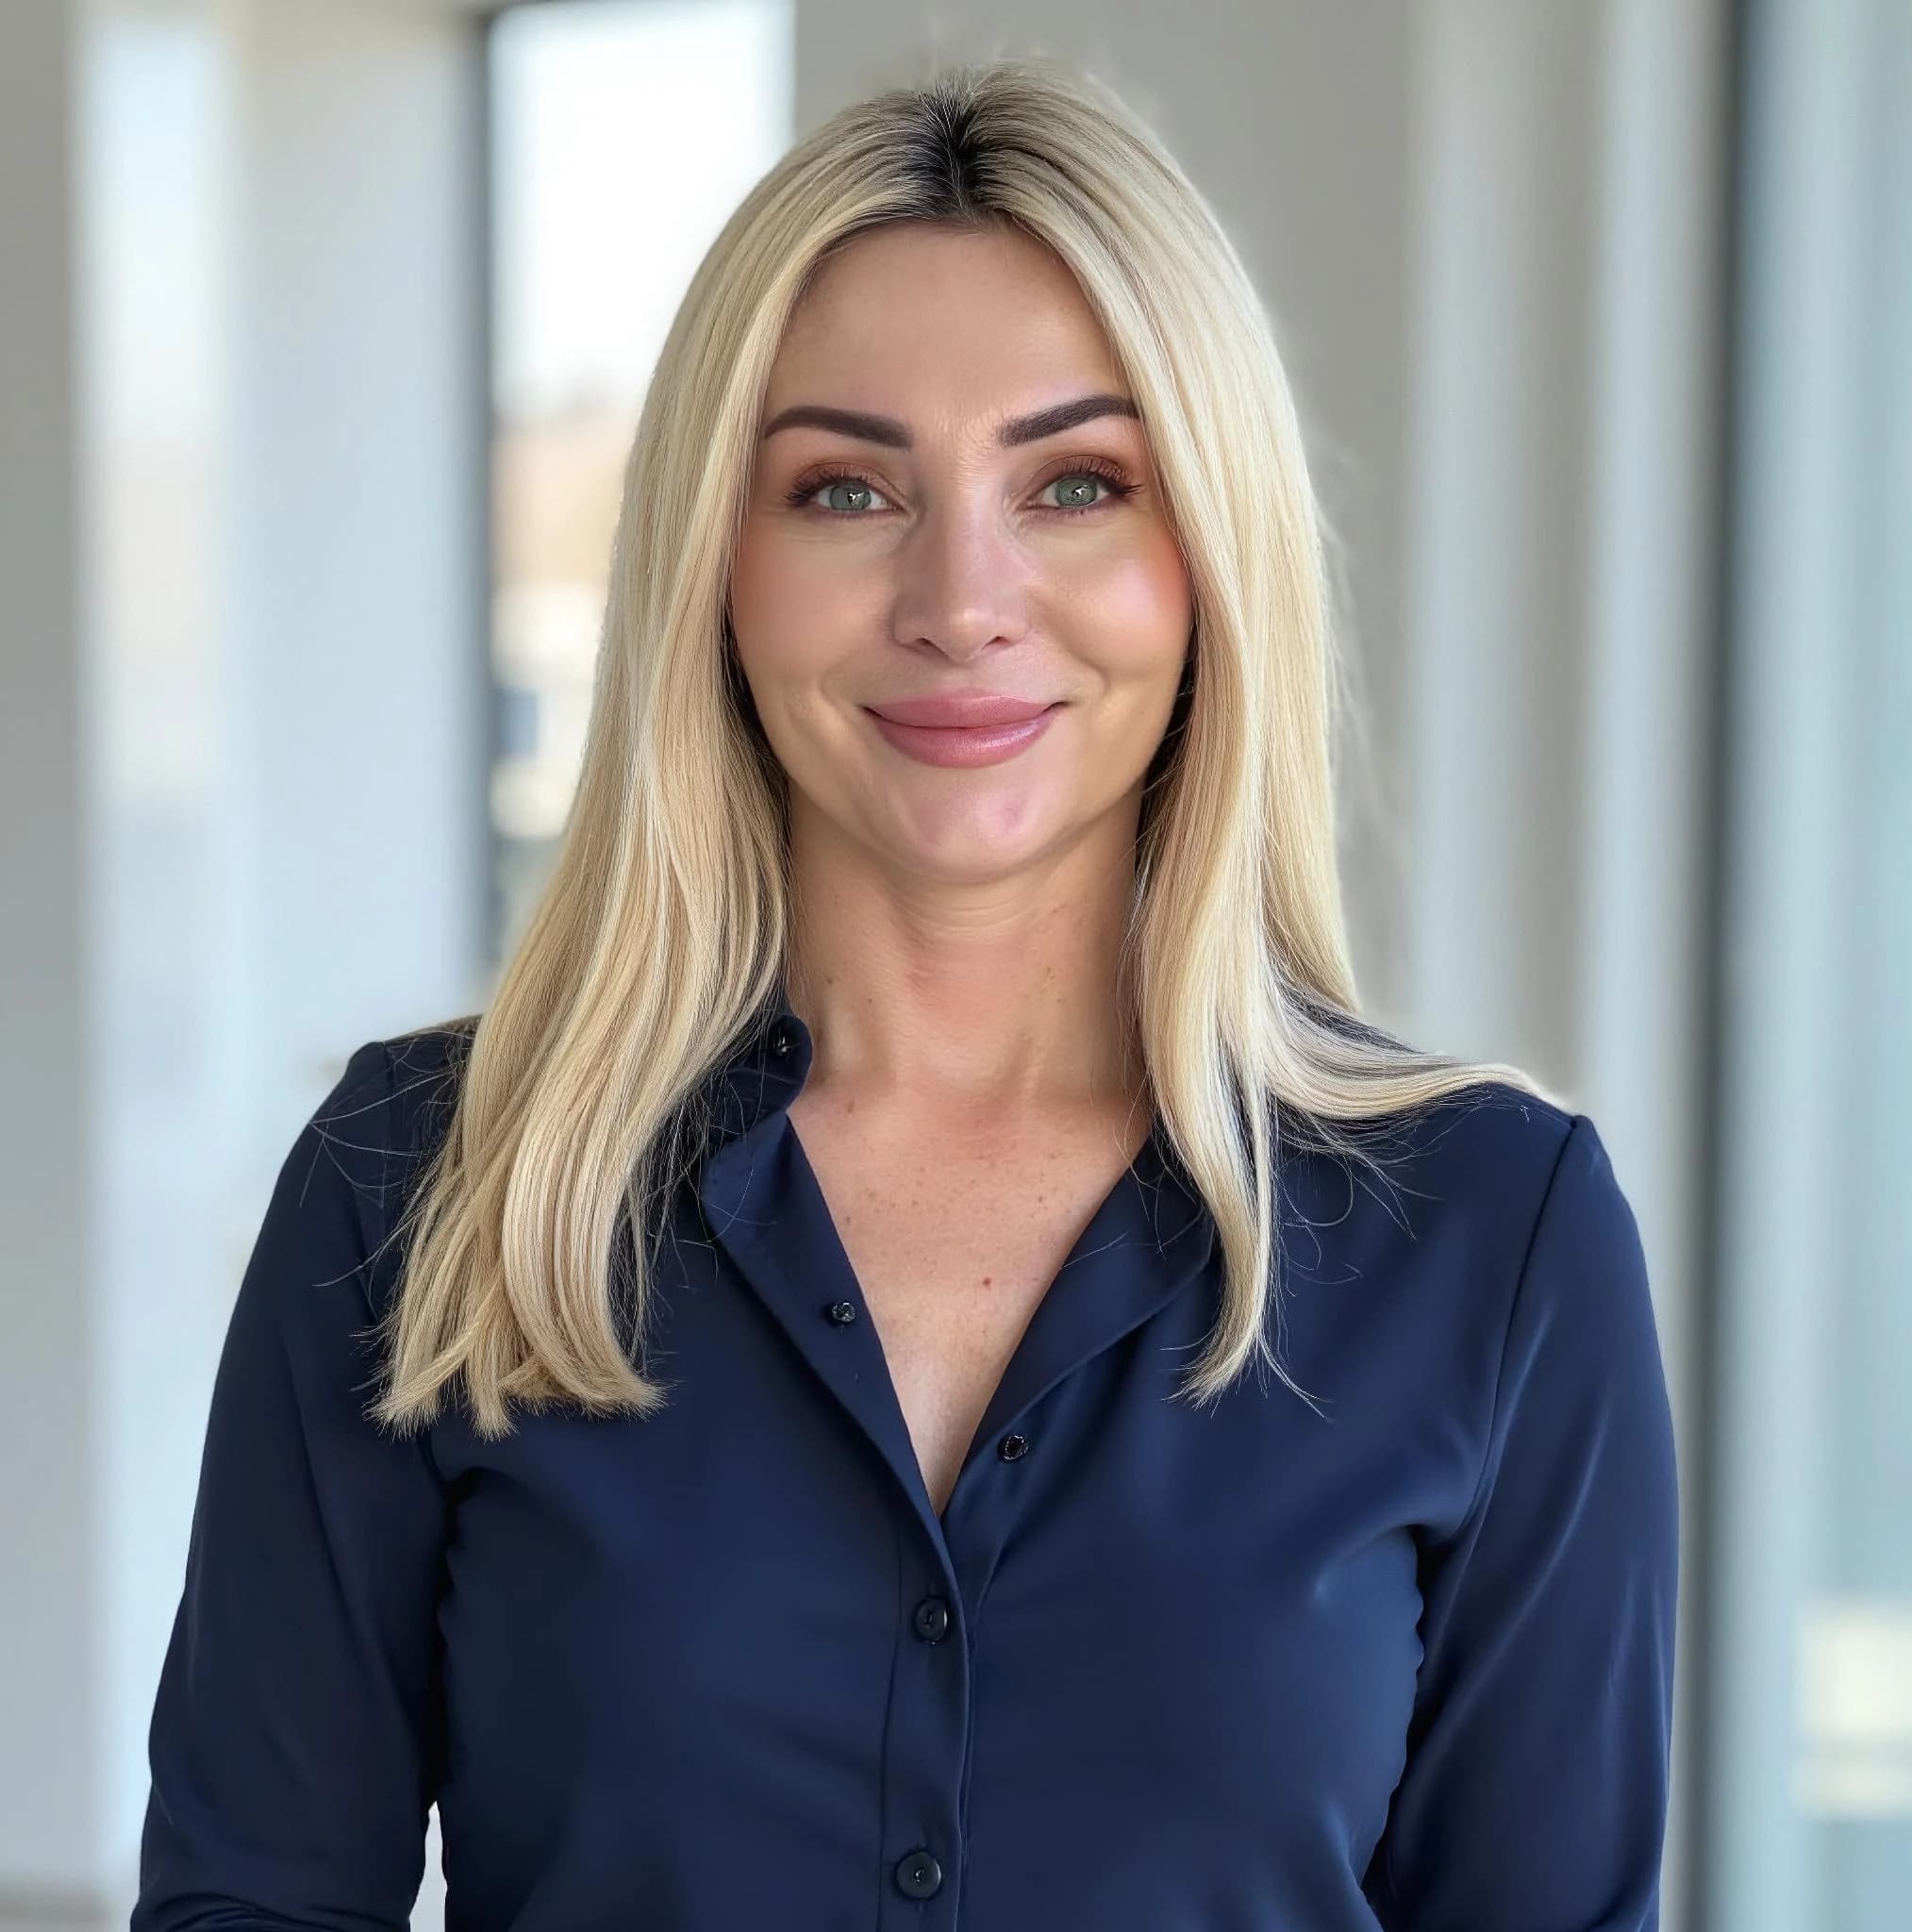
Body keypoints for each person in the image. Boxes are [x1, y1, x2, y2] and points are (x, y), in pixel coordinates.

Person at [132, 57, 1678, 1932]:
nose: (962, 595)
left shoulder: (1495, 1240)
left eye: (1078, 482)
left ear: (1208, 559)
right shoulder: (423, 1186)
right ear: (719, 566)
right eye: (847, 486)